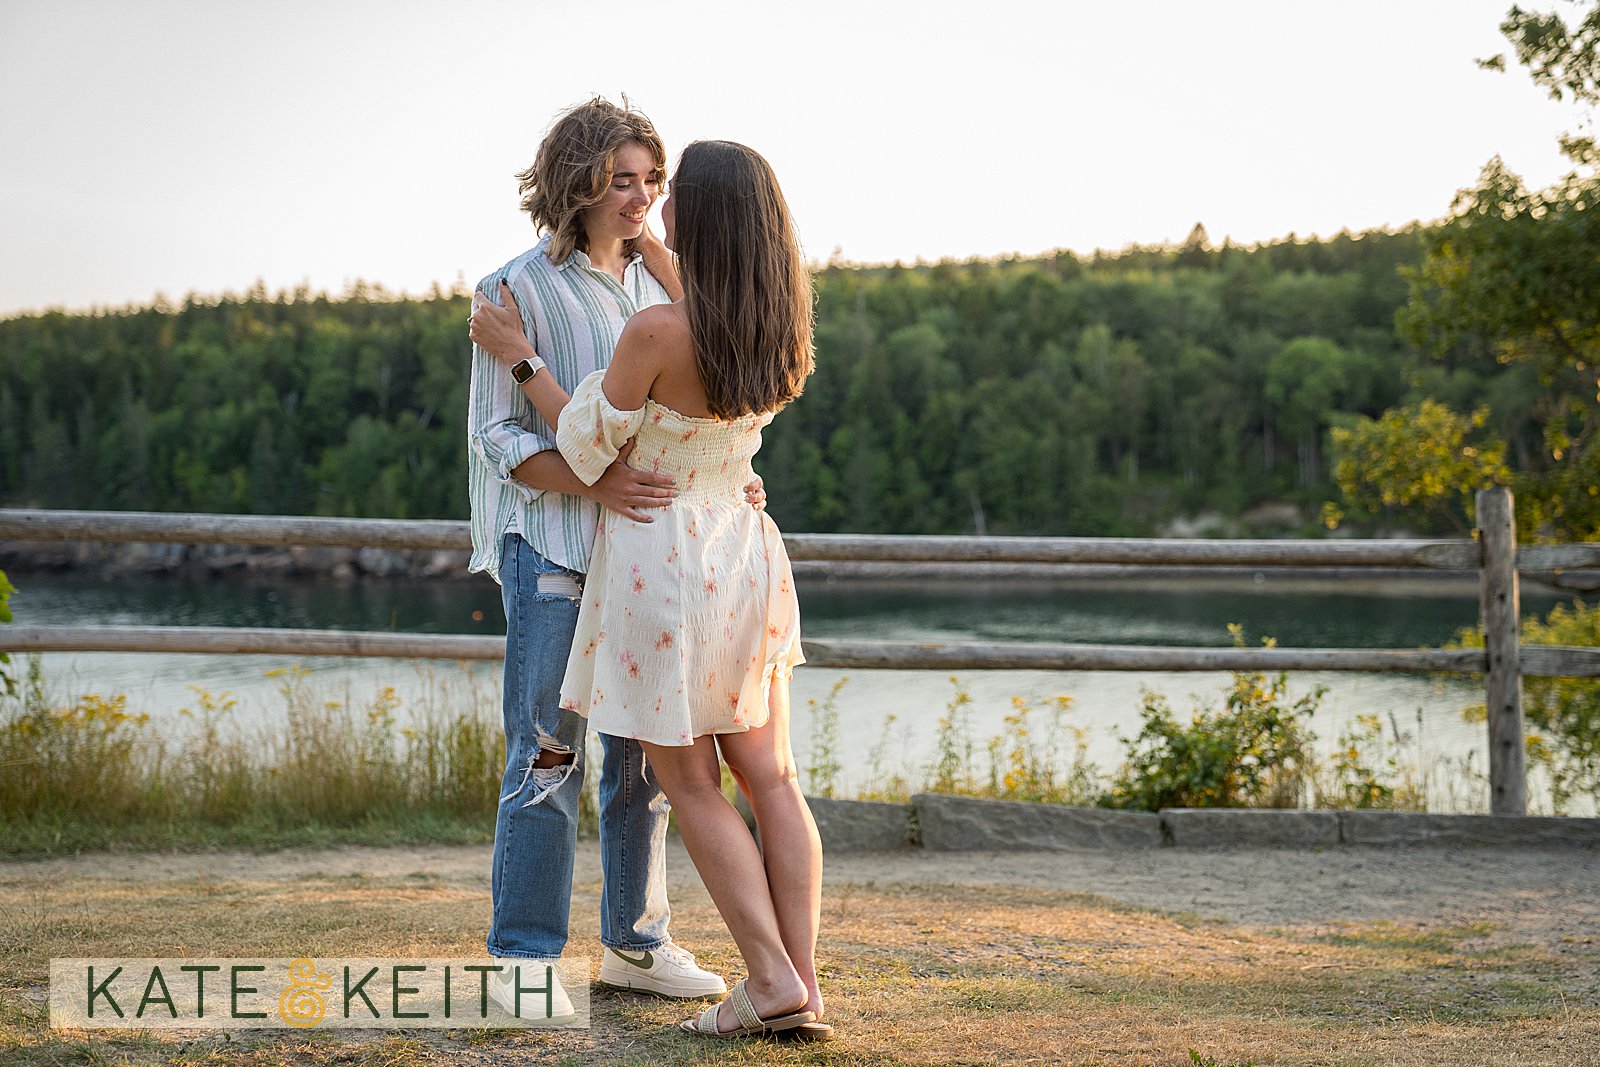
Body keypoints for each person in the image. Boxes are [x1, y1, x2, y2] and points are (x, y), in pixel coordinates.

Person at [469, 139, 829, 1041]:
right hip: (743, 548)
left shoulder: (657, 330)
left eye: (665, 193)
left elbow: (590, 444)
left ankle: (772, 979)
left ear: (692, 217)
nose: (650, 204)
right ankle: (803, 985)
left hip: (666, 560)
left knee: (687, 778)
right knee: (774, 778)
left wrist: (518, 358)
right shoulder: (779, 318)